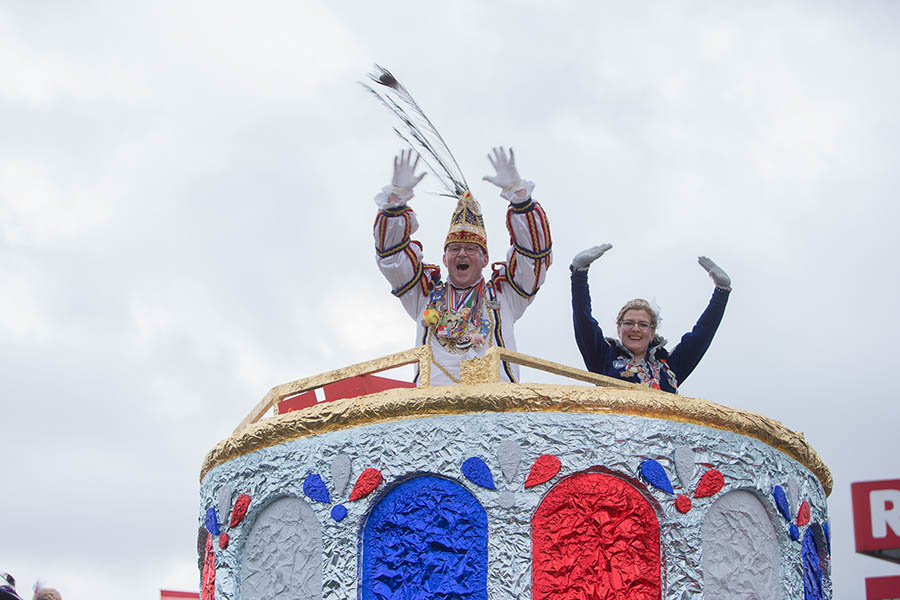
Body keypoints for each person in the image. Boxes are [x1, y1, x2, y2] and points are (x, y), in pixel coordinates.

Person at [374, 147, 552, 385]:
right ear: (445, 259)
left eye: (471, 250)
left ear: (485, 259)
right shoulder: (423, 296)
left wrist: (520, 197)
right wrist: (396, 201)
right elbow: (392, 258)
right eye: (454, 249)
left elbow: (534, 258)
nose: (462, 254)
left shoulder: (505, 295)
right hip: (434, 411)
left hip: (494, 410)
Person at [570, 244, 730, 393]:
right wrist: (579, 274)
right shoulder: (604, 356)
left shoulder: (670, 365)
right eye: (629, 323)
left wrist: (721, 292)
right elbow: (583, 321)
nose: (635, 328)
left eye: (643, 324)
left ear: (652, 333)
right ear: (619, 329)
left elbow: (702, 334)